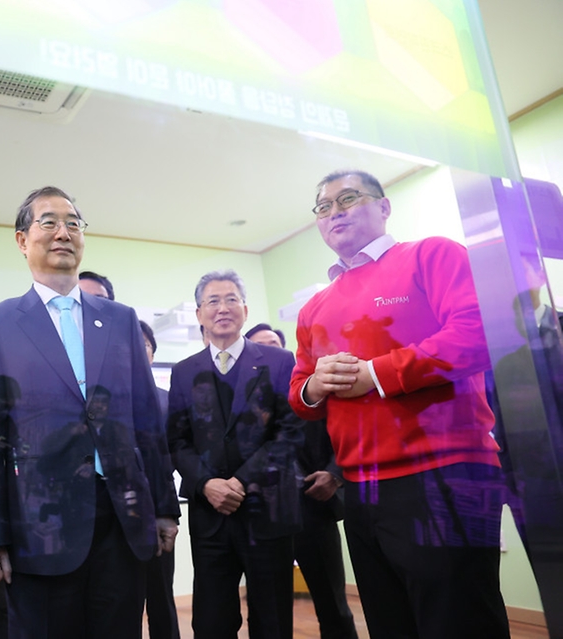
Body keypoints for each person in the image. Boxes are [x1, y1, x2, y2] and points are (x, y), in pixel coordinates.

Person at [288, 169, 509, 639]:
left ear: (384, 207)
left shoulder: (431, 254)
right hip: (361, 488)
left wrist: (375, 375)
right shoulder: (314, 307)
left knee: (459, 620)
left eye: (347, 198)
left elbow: (476, 334)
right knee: (391, 622)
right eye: (323, 207)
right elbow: (300, 394)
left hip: (444, 472)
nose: (335, 212)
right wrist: (316, 386)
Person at [0, 186, 179, 639]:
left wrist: (164, 509)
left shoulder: (120, 319)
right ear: (22, 240)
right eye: (49, 222)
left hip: (123, 517)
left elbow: (146, 421)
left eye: (74, 223)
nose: (64, 232)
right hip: (40, 524)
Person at [167, 270, 303, 639]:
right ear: (199, 314)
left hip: (268, 510)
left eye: (231, 299)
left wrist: (240, 481)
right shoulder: (183, 372)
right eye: (212, 301)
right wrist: (206, 483)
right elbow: (177, 441)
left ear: (244, 308)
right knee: (211, 621)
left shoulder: (279, 362)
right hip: (210, 516)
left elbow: (291, 431)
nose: (222, 308)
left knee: (272, 618)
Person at [246, 324, 357, 639]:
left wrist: (335, 474)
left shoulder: (313, 390)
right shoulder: (240, 402)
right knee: (267, 607)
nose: (270, 352)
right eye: (260, 347)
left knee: (332, 602)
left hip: (312, 505)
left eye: (275, 345)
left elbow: (343, 432)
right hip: (260, 515)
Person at [139, 320, 181, 639]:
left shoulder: (168, 399)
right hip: (110, 516)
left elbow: (179, 452)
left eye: (145, 345)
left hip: (158, 510)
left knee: (162, 597)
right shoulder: (100, 401)